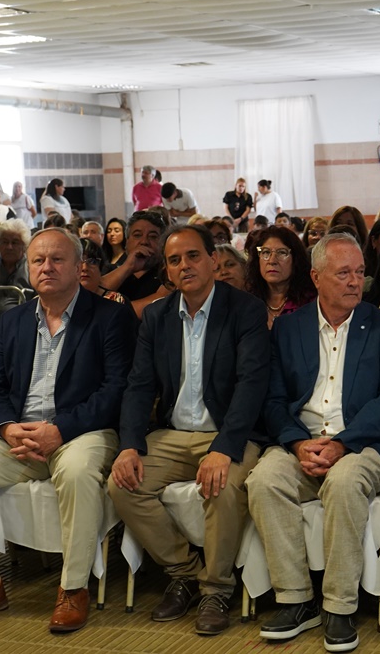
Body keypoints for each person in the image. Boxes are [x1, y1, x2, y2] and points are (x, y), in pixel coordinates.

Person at [0, 228, 136, 633]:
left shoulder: (110, 316)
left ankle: (74, 587)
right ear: (28, 267)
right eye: (38, 260)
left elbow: (116, 390)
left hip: (84, 431)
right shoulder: (13, 319)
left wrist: (59, 430)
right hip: (21, 433)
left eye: (57, 259)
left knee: (77, 472)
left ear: (79, 268)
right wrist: (8, 429)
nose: (46, 267)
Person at [247, 233, 380, 653]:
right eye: (343, 273)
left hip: (364, 443)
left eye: (359, 272)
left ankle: (339, 604)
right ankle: (297, 599)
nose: (355, 281)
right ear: (316, 277)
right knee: (264, 481)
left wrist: (343, 443)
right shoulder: (288, 327)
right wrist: (299, 444)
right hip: (301, 440)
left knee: (343, 482)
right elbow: (274, 399)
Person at [109, 224, 268, 635]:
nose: (185, 265)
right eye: (175, 260)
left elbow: (252, 384)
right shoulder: (158, 316)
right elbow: (139, 386)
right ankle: (184, 571)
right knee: (122, 483)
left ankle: (216, 589)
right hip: (173, 434)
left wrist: (224, 447)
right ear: (168, 270)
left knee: (224, 483)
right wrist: (129, 445)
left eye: (193, 256)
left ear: (214, 260)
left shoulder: (244, 309)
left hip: (230, 431)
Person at [99, 210, 168, 317]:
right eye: (137, 235)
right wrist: (128, 267)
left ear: (163, 243)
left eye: (153, 237)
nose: (144, 241)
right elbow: (92, 299)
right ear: (126, 242)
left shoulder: (168, 274)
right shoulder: (111, 270)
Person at [245, 225, 316, 328]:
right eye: (266, 252)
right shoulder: (248, 302)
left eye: (282, 252)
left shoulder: (311, 302)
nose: (272, 261)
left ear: (296, 259)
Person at [78, 239, 127, 306]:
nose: (85, 268)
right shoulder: (60, 301)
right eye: (79, 261)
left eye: (92, 261)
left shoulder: (116, 301)